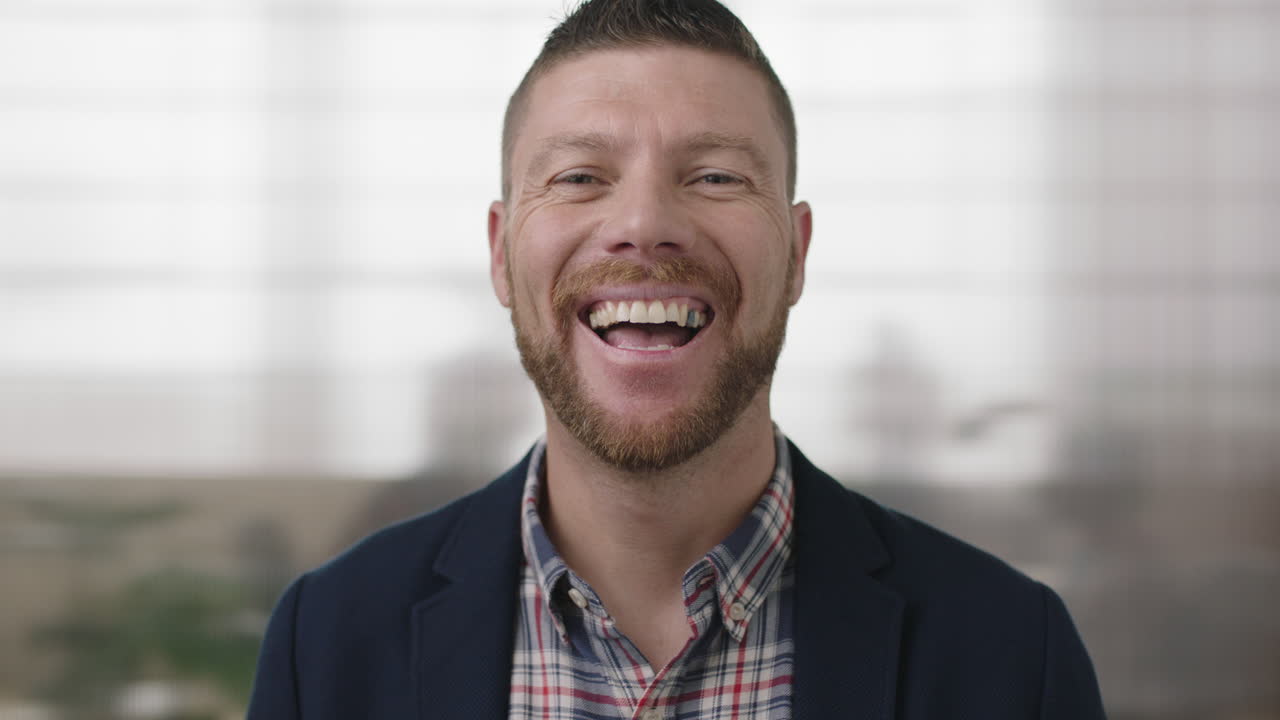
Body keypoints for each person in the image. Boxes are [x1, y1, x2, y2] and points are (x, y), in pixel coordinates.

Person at [246, 0, 1106, 717]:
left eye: (716, 177)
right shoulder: (325, 641)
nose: (644, 223)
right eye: (580, 176)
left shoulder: (1011, 654)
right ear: (502, 255)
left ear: (797, 255)